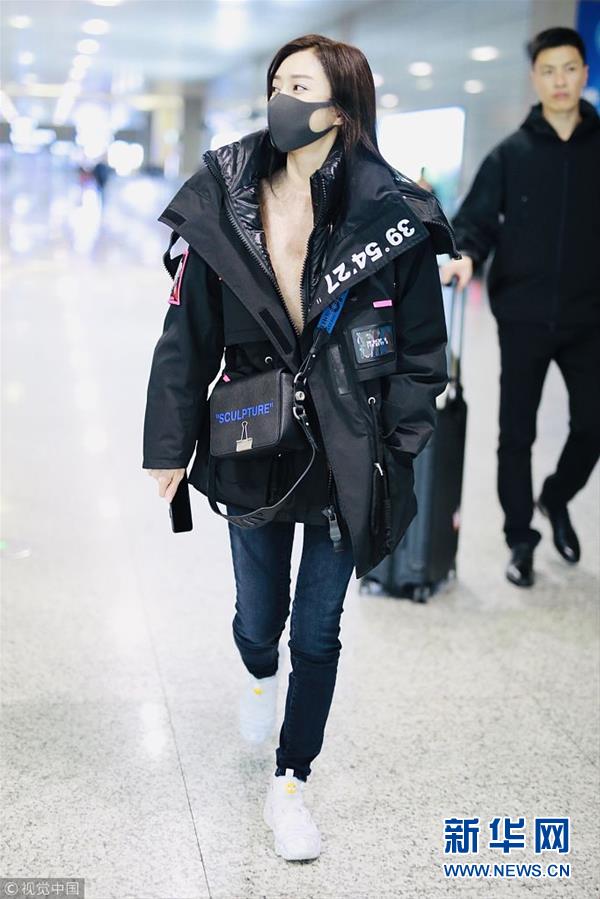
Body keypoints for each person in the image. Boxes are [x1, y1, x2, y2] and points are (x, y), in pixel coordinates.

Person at [143, 33, 457, 861]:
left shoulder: (392, 215)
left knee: (317, 629)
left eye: (302, 86)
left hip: (349, 448)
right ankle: (257, 671)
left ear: (341, 109)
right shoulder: (224, 200)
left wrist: (398, 444)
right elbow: (185, 338)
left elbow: (423, 351)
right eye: (277, 83)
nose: (283, 99)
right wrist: (167, 445)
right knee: (260, 618)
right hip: (251, 436)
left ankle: (291, 779)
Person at [441, 27, 600, 588]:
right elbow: (475, 220)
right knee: (517, 434)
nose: (560, 81)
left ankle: (554, 498)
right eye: (549, 70)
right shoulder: (511, 153)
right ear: (535, 78)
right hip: (524, 316)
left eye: (570, 68)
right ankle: (520, 538)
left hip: (589, 318)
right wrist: (464, 255)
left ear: (585, 73)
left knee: (592, 425)